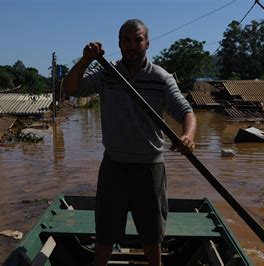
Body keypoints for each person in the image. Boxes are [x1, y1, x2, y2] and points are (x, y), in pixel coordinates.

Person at [63, 19, 197, 266]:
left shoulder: (161, 78)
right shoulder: (106, 73)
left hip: (150, 168)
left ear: (147, 43)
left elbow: (186, 111)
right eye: (126, 41)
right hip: (114, 165)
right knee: (104, 232)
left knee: (152, 234)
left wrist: (188, 136)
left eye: (138, 40)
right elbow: (71, 88)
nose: (132, 45)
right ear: (119, 44)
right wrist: (85, 60)